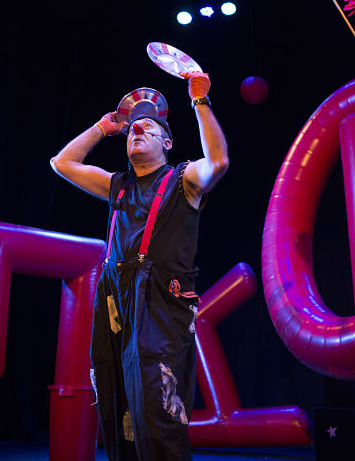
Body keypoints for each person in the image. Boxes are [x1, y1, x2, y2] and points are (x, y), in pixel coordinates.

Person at [50, 71, 229, 461]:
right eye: (132, 129)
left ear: (167, 142)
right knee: (117, 401)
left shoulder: (183, 180)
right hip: (115, 297)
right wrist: (102, 128)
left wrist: (199, 101)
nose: (137, 130)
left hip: (161, 301)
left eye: (148, 127)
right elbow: (61, 163)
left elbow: (217, 161)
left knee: (156, 405)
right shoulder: (117, 185)